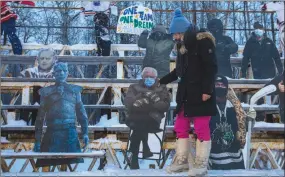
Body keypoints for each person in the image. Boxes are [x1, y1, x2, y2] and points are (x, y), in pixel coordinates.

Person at [160, 8, 217, 176]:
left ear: (183, 31)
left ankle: (201, 163)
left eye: (176, 34)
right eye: (174, 35)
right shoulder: (182, 47)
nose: (175, 37)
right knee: (180, 126)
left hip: (201, 92)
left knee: (201, 127)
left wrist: (207, 89)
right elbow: (178, 71)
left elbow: (211, 67)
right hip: (185, 93)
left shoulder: (203, 42)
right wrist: (161, 81)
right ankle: (182, 160)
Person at [33, 62, 89, 168]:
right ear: (54, 73)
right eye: (58, 71)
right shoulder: (46, 92)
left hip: (70, 133)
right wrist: (37, 140)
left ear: (67, 73)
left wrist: (85, 133)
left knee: (70, 167)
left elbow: (82, 114)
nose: (61, 73)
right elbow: (40, 118)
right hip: (52, 133)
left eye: (64, 70)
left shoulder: (75, 91)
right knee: (47, 165)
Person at [124, 67, 171, 169]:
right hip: (135, 118)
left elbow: (165, 106)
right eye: (146, 76)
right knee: (141, 120)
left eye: (151, 77)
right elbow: (129, 103)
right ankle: (145, 148)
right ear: (142, 77)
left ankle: (135, 157)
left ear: (156, 78)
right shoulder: (134, 87)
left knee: (139, 123)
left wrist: (143, 103)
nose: (149, 79)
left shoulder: (162, 88)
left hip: (151, 120)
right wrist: (151, 100)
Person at [209, 75, 246, 170]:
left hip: (234, 158)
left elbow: (241, 126)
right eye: (217, 84)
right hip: (213, 157)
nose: (220, 87)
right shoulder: (206, 106)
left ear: (227, 87)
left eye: (222, 85)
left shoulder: (234, 106)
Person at [20, 48, 57, 125]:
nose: (44, 61)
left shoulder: (59, 73)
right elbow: (18, 79)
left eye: (47, 58)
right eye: (42, 58)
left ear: (53, 60)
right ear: (38, 59)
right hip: (37, 109)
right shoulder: (30, 72)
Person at [1, 1, 35, 77]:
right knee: (9, 33)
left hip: (8, 18)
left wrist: (30, 3)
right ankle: (15, 48)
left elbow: (17, 0)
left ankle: (17, 51)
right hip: (3, 20)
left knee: (11, 34)